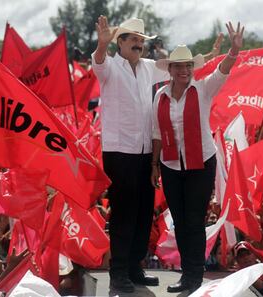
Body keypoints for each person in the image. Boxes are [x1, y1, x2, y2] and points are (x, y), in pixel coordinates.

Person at [92, 16, 223, 293]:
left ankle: (134, 268)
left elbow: (181, 69)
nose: (139, 45)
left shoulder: (150, 68)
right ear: (121, 42)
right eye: (134, 40)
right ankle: (118, 274)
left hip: (145, 152)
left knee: (142, 213)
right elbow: (99, 62)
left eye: (142, 41)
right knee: (124, 214)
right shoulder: (110, 68)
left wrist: (211, 54)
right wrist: (101, 46)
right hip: (119, 151)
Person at [150, 22, 244, 293]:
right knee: (180, 220)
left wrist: (234, 51)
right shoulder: (160, 96)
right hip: (170, 164)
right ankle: (187, 272)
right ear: (170, 69)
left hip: (200, 163)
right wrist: (154, 165)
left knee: (194, 219)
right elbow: (157, 131)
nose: (185, 71)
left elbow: (221, 72)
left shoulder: (203, 89)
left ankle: (193, 274)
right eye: (179, 66)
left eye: (188, 66)